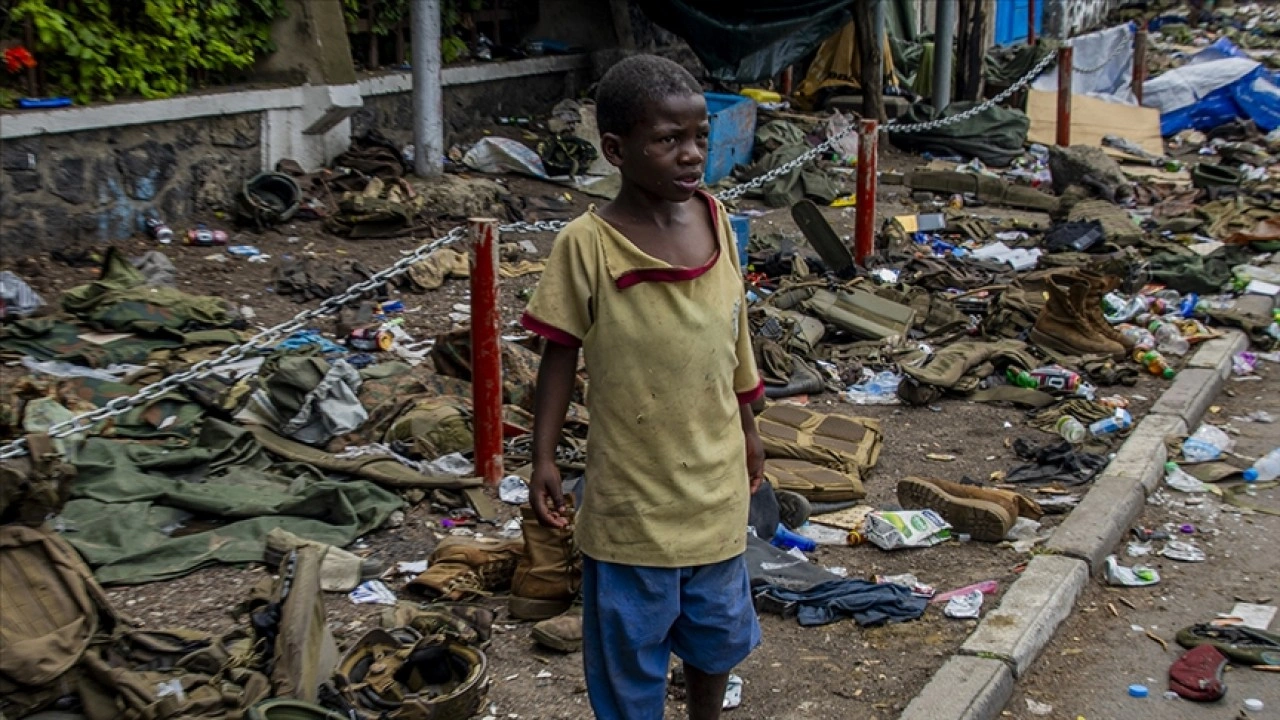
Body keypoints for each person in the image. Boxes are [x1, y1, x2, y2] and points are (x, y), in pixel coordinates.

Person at [519, 54, 766, 720]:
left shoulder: (715, 221)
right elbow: (558, 353)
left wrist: (749, 428)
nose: (690, 156)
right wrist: (542, 457)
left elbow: (732, 335)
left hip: (714, 493)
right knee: (631, 655)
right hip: (631, 501)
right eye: (668, 141)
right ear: (616, 150)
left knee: (716, 640)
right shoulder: (588, 244)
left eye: (699, 140)